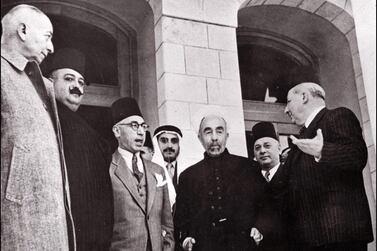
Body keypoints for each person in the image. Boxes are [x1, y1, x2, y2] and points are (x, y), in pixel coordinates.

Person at [1, 4, 75, 250]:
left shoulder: (43, 84)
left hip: (52, 231)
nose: (52, 47)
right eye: (48, 37)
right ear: (22, 30)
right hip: (17, 231)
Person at [284, 81, 373, 250]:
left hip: (339, 237)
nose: (286, 110)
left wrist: (322, 151)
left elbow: (357, 156)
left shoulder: (337, 116)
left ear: (304, 97)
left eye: (288, 102)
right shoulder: (300, 140)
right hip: (310, 241)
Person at [48, 48, 114, 250]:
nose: (77, 87)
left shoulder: (95, 137)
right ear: (50, 82)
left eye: (81, 82)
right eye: (69, 79)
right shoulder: (45, 121)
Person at [174, 114, 270, 251]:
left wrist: (260, 227)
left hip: (244, 245)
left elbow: (267, 205)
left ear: (227, 135)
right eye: (208, 132)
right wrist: (186, 239)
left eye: (219, 131)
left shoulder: (249, 167)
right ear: (200, 138)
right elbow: (181, 220)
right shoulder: (187, 176)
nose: (214, 138)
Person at [109, 97, 175, 251]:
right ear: (117, 131)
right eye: (134, 125)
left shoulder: (157, 171)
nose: (141, 132)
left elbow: (167, 222)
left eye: (143, 126)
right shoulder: (107, 169)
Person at [251, 122, 288, 251]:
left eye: (267, 146)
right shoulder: (250, 181)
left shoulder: (291, 176)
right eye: (257, 147)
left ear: (278, 148)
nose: (262, 151)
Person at [152, 125, 185, 210]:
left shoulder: (188, 169)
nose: (169, 146)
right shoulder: (149, 171)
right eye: (164, 141)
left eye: (174, 141)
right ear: (156, 143)